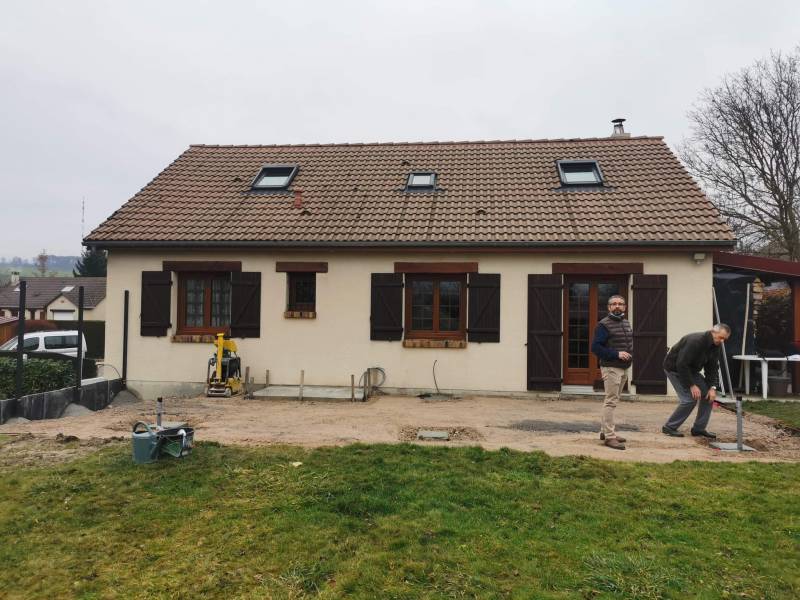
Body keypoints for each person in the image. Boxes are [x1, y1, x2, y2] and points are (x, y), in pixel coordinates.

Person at [662, 324, 732, 438]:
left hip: (692, 370)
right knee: (689, 400)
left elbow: (713, 368)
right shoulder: (695, 341)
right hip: (674, 369)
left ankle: (699, 429)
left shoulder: (716, 345)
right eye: (721, 337)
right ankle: (669, 427)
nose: (722, 341)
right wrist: (692, 385)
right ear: (713, 332)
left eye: (725, 339)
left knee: (709, 397)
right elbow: (682, 364)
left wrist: (712, 387)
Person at [590, 294, 633, 450]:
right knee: (610, 401)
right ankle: (609, 437)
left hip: (623, 368)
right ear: (609, 307)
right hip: (611, 367)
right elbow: (595, 348)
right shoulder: (603, 325)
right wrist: (617, 354)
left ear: (624, 307)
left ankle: (605, 431)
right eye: (613, 304)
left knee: (613, 401)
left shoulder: (626, 323)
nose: (617, 306)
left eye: (620, 304)